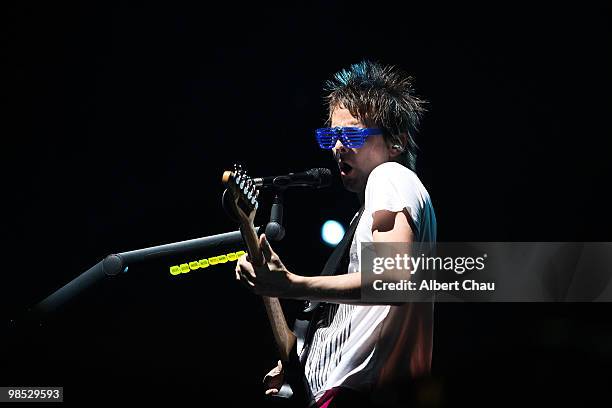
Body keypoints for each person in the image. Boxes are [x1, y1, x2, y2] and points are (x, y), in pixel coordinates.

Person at [235, 60, 436, 407]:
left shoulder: (389, 177)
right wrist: (303, 361)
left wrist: (292, 284)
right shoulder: (367, 212)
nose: (338, 146)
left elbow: (391, 280)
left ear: (397, 143)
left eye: (353, 134)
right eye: (331, 136)